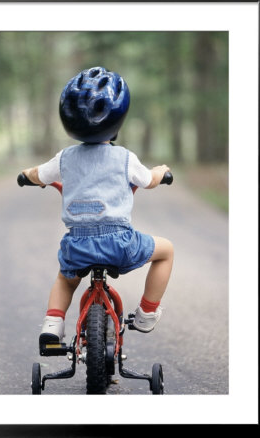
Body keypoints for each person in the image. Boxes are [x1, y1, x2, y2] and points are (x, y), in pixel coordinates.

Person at [22, 67, 174, 347]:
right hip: (120, 244)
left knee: (66, 279)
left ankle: (53, 324)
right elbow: (149, 180)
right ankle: (146, 313)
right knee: (165, 251)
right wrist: (160, 171)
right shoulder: (125, 158)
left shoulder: (64, 158)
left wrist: (27, 175)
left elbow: (38, 175)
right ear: (119, 119)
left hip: (78, 245)